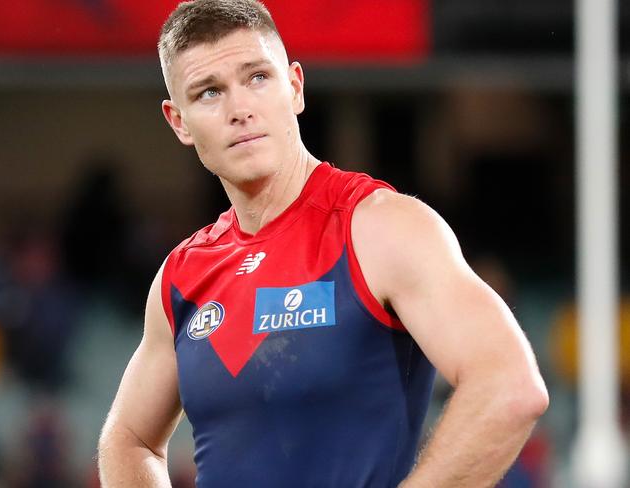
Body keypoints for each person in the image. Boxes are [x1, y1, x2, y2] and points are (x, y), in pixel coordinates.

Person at [97, 1, 549, 486]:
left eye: (257, 78)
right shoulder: (181, 276)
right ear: (179, 122)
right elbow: (128, 438)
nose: (239, 109)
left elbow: (509, 385)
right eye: (209, 93)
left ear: (294, 87)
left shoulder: (380, 228)